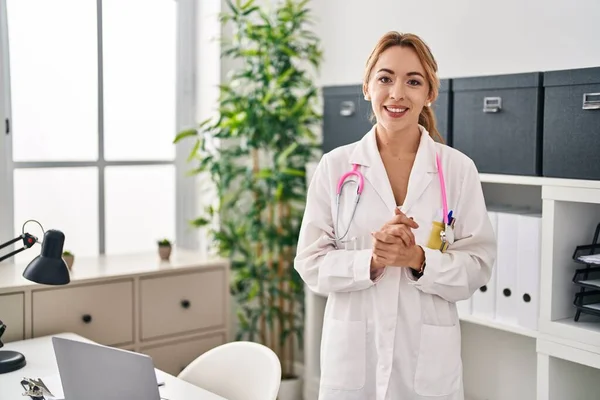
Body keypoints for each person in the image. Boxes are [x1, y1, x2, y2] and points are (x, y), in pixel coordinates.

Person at [294, 31, 497, 400]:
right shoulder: (335, 167)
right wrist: (370, 261)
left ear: (430, 93)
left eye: (413, 81)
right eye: (385, 78)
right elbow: (309, 263)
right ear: (368, 87)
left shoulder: (458, 170)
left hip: (428, 366)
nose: (397, 93)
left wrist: (418, 259)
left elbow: (478, 265)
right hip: (354, 361)